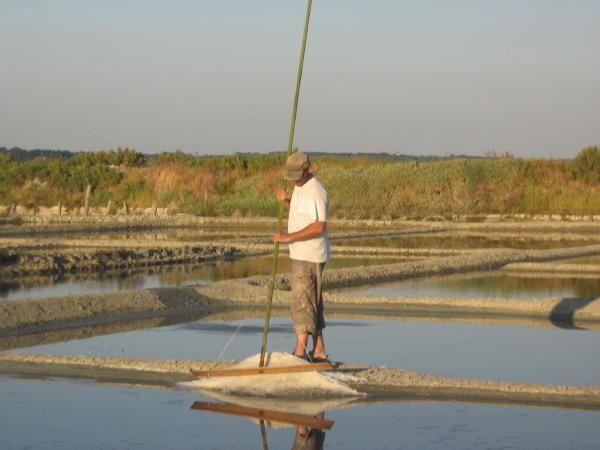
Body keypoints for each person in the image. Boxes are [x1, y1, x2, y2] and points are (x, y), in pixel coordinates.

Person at [273, 151, 330, 362]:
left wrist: (287, 237)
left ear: (309, 169)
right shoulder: (299, 187)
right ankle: (319, 350)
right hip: (303, 252)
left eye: (298, 174)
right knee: (312, 301)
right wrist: (286, 201)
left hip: (309, 253)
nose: (294, 179)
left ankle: (300, 351)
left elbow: (318, 225)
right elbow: (300, 214)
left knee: (302, 301)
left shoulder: (315, 191)